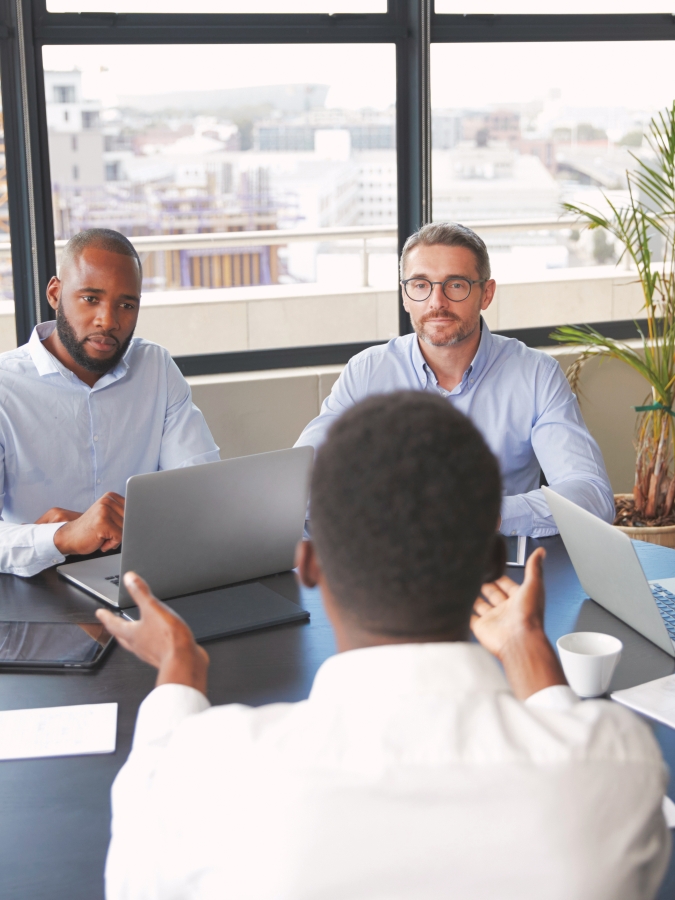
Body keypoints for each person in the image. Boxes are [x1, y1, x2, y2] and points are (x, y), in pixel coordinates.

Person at [98, 392, 668, 900]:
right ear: (495, 564)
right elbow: (577, 755)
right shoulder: (618, 765)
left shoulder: (211, 777)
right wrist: (531, 658)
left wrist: (179, 672)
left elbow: (132, 876)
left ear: (310, 566)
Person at [295, 222, 614, 537]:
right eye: (420, 285)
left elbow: (591, 495)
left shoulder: (535, 374)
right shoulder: (366, 371)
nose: (436, 303)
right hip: (386, 562)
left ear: (485, 294)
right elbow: (297, 485)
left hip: (492, 563)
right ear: (405, 296)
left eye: (456, 284)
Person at [0, 228, 219, 577]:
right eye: (90, 299)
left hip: (141, 579)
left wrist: (122, 525)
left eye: (126, 304)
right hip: (34, 590)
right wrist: (62, 537)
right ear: (55, 294)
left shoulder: (156, 368)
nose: (109, 321)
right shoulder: (5, 387)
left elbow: (200, 496)